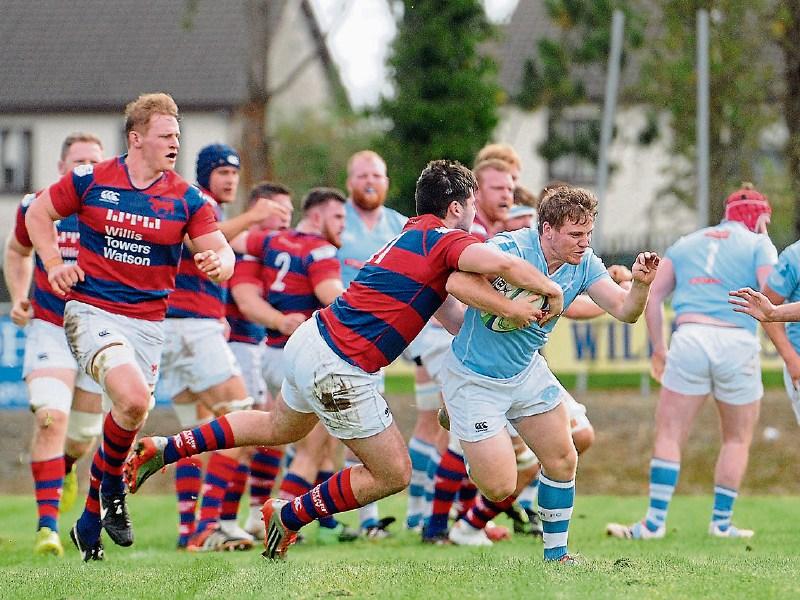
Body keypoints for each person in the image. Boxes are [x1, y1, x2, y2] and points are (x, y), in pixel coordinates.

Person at [125, 159, 565, 560]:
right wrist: (549, 290)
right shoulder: (443, 238)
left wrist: (504, 318)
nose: (474, 219)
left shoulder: (409, 235)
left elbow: (454, 318)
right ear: (454, 208)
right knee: (393, 472)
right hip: (342, 365)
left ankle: (166, 447)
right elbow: (502, 265)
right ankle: (290, 514)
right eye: (470, 207)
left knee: (277, 427)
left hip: (311, 340)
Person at [24, 92, 235, 561]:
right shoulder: (92, 179)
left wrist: (219, 263)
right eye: (166, 135)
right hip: (91, 314)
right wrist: (55, 262)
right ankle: (113, 493)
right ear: (137, 139)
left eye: (178, 135)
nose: (175, 143)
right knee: (134, 398)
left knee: (130, 416)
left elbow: (224, 250)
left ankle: (87, 519)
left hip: (148, 326)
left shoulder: (186, 197)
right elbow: (37, 213)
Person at [443, 185, 660, 561]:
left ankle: (557, 556)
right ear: (546, 230)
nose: (584, 243)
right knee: (498, 486)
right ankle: (461, 418)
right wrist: (509, 308)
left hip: (526, 372)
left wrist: (640, 285)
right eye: (575, 235)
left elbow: (626, 312)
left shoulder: (585, 263)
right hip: (474, 376)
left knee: (563, 458)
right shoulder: (509, 248)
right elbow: (455, 282)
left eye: (588, 234)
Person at [607, 183, 775, 541]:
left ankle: (653, 523)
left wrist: (658, 348)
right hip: (737, 341)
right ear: (760, 219)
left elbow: (652, 298)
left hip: (690, 338)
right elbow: (770, 296)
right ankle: (721, 523)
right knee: (736, 439)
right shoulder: (759, 244)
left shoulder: (686, 242)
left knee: (669, 433)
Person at [159, 143, 286, 552]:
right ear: (205, 174)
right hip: (192, 328)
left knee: (195, 435)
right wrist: (255, 215)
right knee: (243, 426)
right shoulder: (197, 204)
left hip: (178, 329)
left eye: (235, 173)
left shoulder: (200, 207)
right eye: (222, 172)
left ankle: (188, 530)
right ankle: (209, 524)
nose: (231, 179)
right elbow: (204, 242)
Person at [232, 187, 358, 545]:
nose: (343, 227)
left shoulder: (271, 242)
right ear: (316, 217)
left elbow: (233, 241)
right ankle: (277, 518)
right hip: (298, 355)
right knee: (311, 445)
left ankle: (266, 516)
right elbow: (332, 295)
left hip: (268, 352)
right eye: (338, 218)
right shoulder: (320, 249)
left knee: (289, 437)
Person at [4, 133, 105, 556]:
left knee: (82, 436)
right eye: (78, 161)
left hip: (100, 332)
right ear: (63, 166)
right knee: (49, 417)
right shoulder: (36, 206)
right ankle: (46, 527)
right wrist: (20, 296)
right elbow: (16, 251)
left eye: (93, 163)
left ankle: (66, 466)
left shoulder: (114, 213)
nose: (86, 169)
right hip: (50, 327)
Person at [337, 149, 408, 536]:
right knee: (303, 435)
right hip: (331, 335)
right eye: (362, 175)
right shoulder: (334, 218)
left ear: (386, 182)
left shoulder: (398, 225)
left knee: (359, 430)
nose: (369, 181)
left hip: (373, 342)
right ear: (350, 182)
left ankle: (365, 521)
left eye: (377, 175)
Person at [225, 182, 294, 539]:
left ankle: (254, 514)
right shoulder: (244, 247)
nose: (284, 219)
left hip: (258, 347)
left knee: (272, 434)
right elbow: (247, 302)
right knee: (248, 437)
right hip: (236, 346)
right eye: (276, 211)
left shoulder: (275, 253)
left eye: (288, 212)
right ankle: (219, 521)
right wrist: (283, 321)